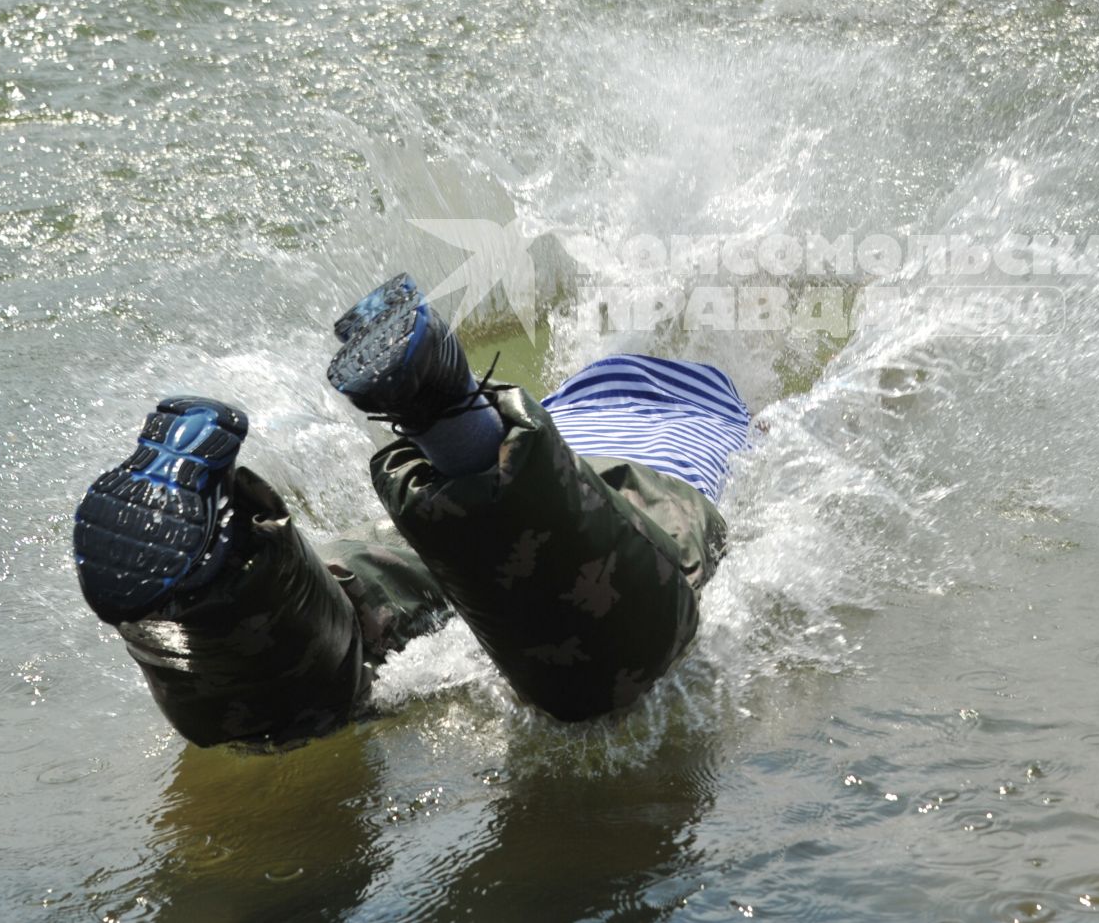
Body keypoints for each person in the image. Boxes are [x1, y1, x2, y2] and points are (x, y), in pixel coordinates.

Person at [72, 273, 745, 747]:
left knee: (337, 636)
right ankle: (448, 419)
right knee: (612, 655)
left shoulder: (561, 397)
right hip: (628, 484)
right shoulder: (724, 406)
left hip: (509, 454)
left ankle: (212, 585)